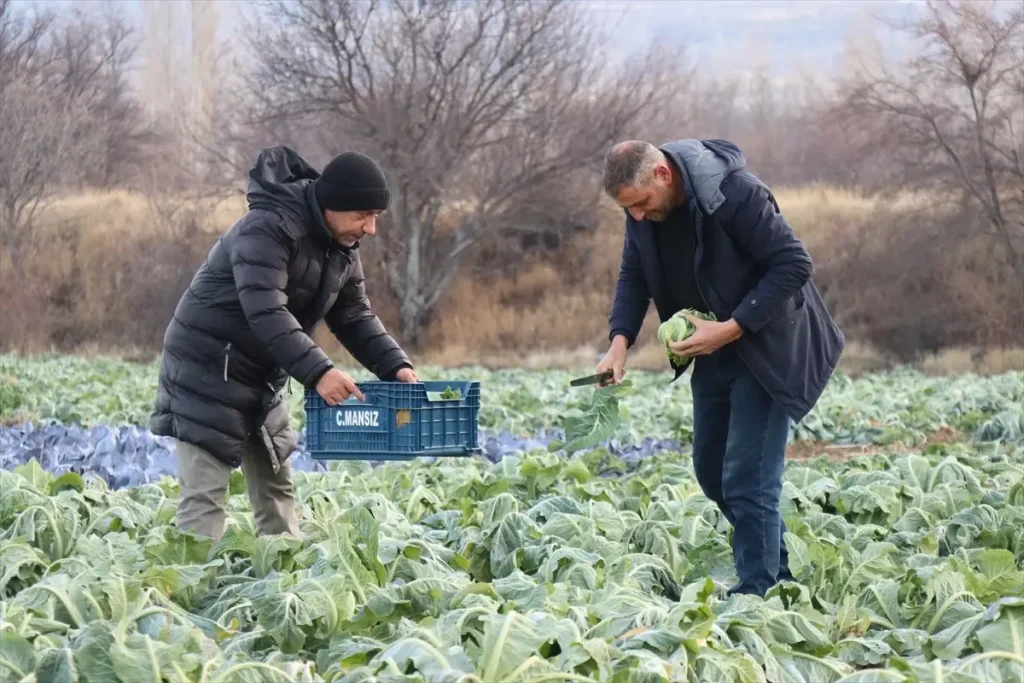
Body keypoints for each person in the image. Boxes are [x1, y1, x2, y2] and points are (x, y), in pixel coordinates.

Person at [596, 138, 845, 597]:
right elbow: (634, 274)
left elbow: (794, 264)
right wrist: (619, 343)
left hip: (765, 347)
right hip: (710, 348)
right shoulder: (643, 213)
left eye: (641, 203)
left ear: (662, 175)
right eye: (628, 209)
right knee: (712, 471)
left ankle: (759, 592)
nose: (637, 216)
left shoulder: (735, 193)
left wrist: (731, 327)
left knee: (748, 478)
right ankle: (776, 572)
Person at [150, 146, 419, 544]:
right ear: (333, 204)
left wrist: (396, 366)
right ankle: (192, 579)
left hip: (263, 372)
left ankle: (281, 569)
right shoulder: (267, 228)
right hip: (206, 368)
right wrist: (320, 372)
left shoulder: (341, 248)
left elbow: (354, 316)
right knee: (205, 496)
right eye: (363, 215)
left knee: (276, 485)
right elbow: (265, 311)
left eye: (375, 216)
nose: (370, 228)